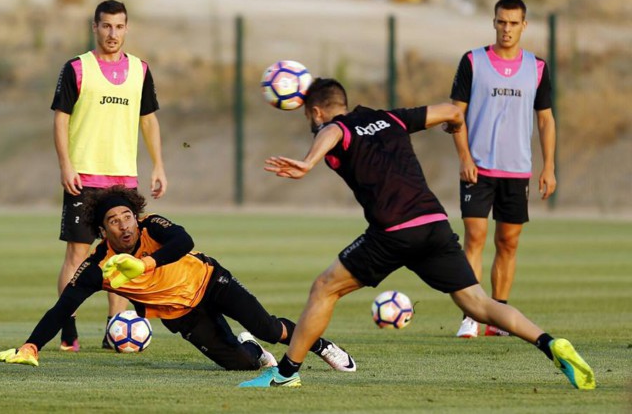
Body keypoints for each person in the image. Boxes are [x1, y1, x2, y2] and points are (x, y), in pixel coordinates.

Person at [238, 78, 594, 389]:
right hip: (433, 224)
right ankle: (549, 343)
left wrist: (309, 161)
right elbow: (453, 111)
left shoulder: (337, 128)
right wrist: (454, 124)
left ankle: (285, 374)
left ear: (316, 112)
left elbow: (335, 131)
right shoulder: (390, 117)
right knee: (479, 304)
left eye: (309, 117)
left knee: (324, 288)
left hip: (392, 231)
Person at [0, 186, 354, 372]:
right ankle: (251, 350)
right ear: (103, 230)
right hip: (181, 315)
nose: (124, 224)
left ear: (136, 216)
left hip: (211, 282)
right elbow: (63, 307)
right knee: (239, 364)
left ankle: (323, 347)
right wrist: (32, 345)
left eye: (127, 216)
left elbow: (185, 242)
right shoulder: (99, 265)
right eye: (114, 221)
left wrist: (147, 264)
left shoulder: (153, 226)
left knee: (271, 329)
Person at [51, 0, 168, 351]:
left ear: (127, 28)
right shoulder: (76, 68)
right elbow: (61, 119)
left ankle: (114, 329)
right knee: (77, 254)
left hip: (123, 180)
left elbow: (148, 119)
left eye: (119, 26)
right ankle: (67, 327)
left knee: (121, 259)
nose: (112, 33)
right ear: (94, 27)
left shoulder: (140, 70)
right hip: (84, 175)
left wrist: (158, 164)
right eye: (106, 26)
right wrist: (65, 165)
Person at [449, 0, 556, 339]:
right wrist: (464, 157)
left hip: (517, 170)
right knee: (475, 238)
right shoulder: (472, 61)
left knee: (508, 242)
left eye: (513, 23)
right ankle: (471, 315)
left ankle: (498, 313)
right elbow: (455, 115)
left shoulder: (537, 67)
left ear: (524, 25)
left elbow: (545, 121)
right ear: (493, 22)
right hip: (478, 169)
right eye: (501, 22)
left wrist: (549, 167)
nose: (506, 29)